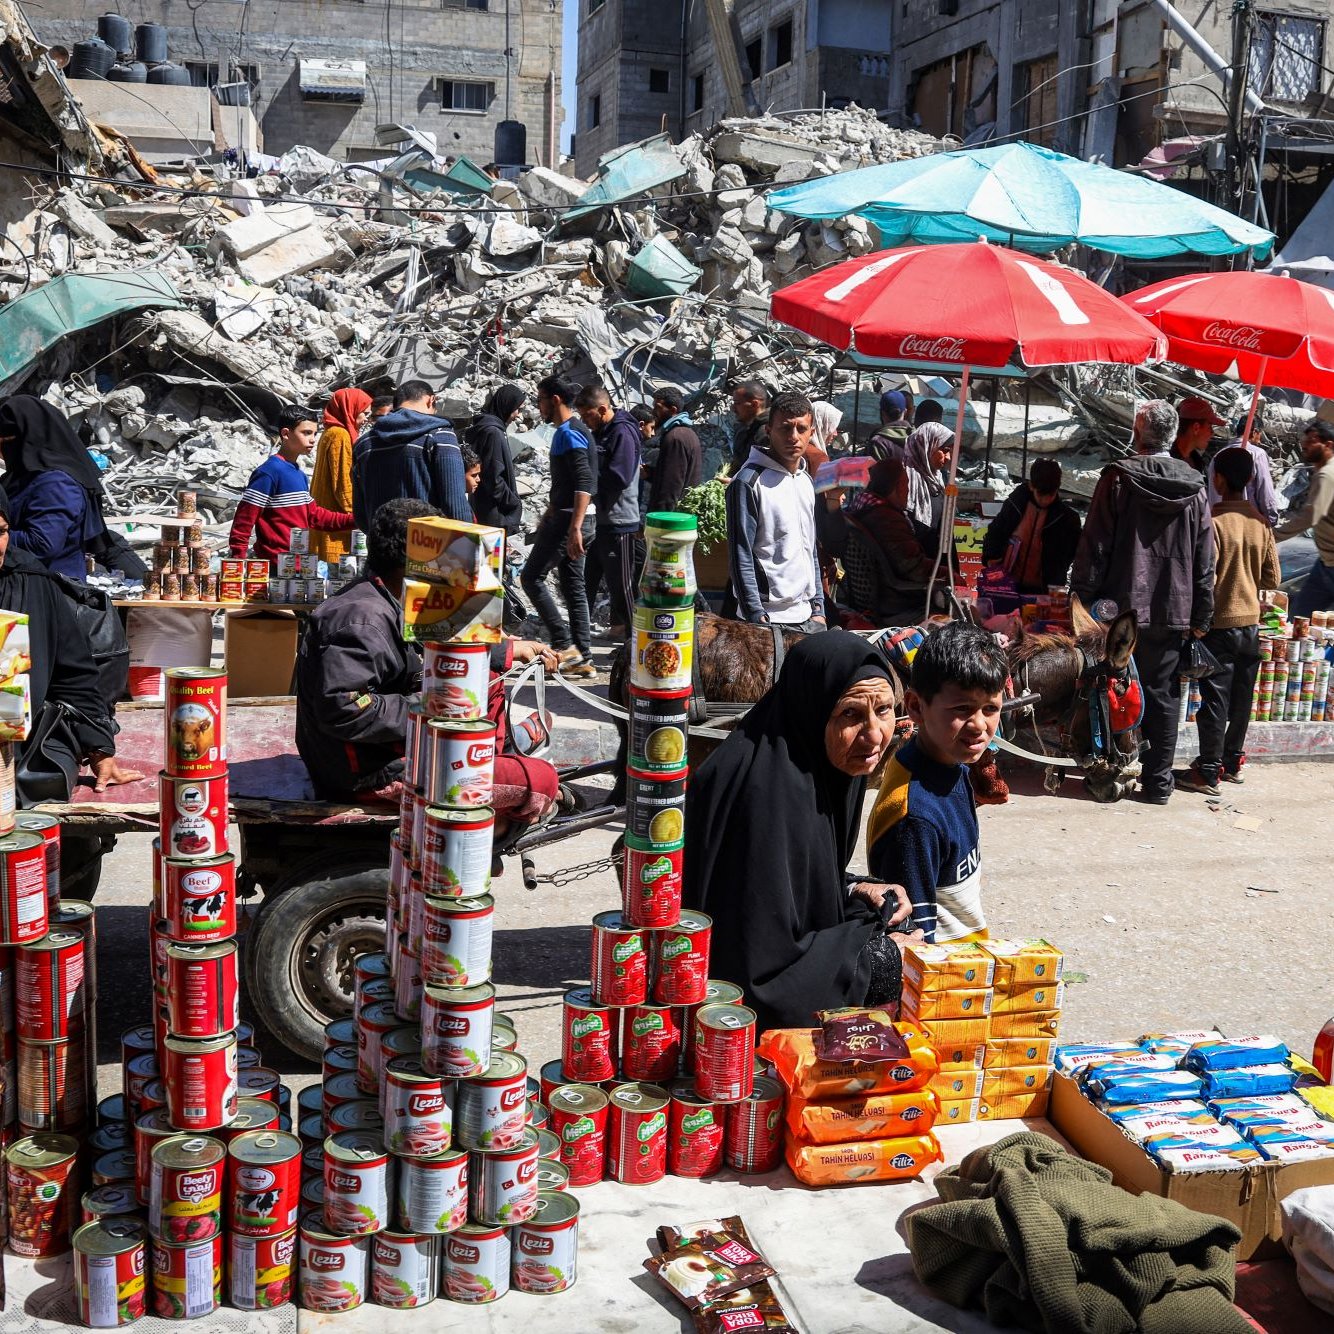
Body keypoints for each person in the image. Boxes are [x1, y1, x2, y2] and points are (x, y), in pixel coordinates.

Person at [683, 631, 918, 1030]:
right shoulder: (769, 794)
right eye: (850, 714)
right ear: (813, 710)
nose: (876, 734)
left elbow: (791, 885)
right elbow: (757, 974)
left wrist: (854, 888)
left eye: (883, 710)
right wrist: (879, 960)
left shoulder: (818, 765)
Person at [295, 498, 560, 830]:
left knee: (486, 677)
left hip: (384, 750)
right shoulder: (361, 620)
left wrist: (506, 649)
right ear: (416, 560)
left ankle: (500, 752)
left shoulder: (392, 597)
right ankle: (497, 818)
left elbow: (443, 641)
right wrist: (433, 707)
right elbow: (346, 708)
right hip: (370, 773)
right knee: (542, 779)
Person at [1071, 398, 1215, 804]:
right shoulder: (1195, 486)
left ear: (1138, 433)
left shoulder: (1118, 478)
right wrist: (1202, 612)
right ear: (1172, 436)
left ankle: (1112, 775)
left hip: (1119, 609)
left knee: (1110, 687)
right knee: (1164, 693)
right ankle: (1158, 784)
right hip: (1173, 607)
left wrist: (1081, 598)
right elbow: (1206, 559)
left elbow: (1094, 545)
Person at [868, 622, 1005, 942]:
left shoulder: (952, 764)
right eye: (962, 709)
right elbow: (913, 936)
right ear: (916, 706)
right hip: (943, 975)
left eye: (990, 708)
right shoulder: (916, 817)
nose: (979, 725)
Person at [0, 486, 140, 798]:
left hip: (21, 758)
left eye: (1, 531)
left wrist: (99, 749)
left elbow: (73, 673)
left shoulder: (29, 582)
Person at [1180, 448, 1280, 795]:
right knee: (1241, 700)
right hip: (1251, 625)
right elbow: (1272, 577)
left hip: (1219, 625)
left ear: (1218, 480)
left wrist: (1198, 622)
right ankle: (1233, 762)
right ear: (1251, 479)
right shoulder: (1261, 523)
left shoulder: (1214, 522)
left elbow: (1205, 578)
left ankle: (1208, 770)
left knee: (1214, 701)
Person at [725, 390, 825, 630]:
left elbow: (809, 547)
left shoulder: (805, 480)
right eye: (785, 428)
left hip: (806, 616)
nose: (793, 437)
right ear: (769, 432)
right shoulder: (747, 482)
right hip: (767, 620)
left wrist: (818, 607)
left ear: (811, 433)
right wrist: (755, 613)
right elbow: (741, 554)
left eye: (801, 429)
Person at [520, 376, 597, 678]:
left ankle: (565, 647)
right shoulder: (575, 431)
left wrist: (574, 527)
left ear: (554, 400)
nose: (537, 406)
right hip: (576, 517)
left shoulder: (569, 433)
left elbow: (583, 482)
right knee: (573, 587)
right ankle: (583, 659)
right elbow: (568, 483)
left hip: (572, 520)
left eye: (540, 400)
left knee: (531, 577)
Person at [0, 396, 116, 581]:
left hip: (48, 594)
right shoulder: (20, 476)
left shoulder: (56, 484)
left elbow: (42, 544)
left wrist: (2, 535)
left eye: (4, 440)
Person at [229, 405, 355, 562]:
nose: (312, 439)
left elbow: (314, 516)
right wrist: (237, 561)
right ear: (286, 434)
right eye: (306, 433)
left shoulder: (299, 474)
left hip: (299, 565)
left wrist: (357, 519)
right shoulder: (269, 472)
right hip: (275, 566)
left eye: (314, 434)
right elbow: (244, 521)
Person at [351, 380, 469, 530]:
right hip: (428, 545)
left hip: (381, 547)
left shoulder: (363, 444)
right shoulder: (440, 436)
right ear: (431, 400)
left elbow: (360, 513)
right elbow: (455, 506)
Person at [574, 385, 642, 639]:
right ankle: (578, 637)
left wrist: (588, 484)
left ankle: (636, 644)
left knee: (621, 586)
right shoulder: (605, 431)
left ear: (602, 410)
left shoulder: (622, 432)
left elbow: (619, 476)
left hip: (619, 520)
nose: (585, 421)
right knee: (587, 579)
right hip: (602, 519)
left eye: (587, 415)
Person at [835, 459, 935, 623]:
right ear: (896, 486)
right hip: (896, 601)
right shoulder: (886, 519)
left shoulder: (861, 506)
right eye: (906, 484)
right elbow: (912, 567)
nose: (909, 491)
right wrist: (947, 574)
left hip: (872, 597)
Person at [980, 458, 1083, 593]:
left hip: (1043, 591)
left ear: (1057, 489)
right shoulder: (1015, 505)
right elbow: (995, 532)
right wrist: (991, 557)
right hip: (1006, 585)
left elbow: (1069, 555)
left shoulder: (1067, 519)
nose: (1045, 500)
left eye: (1050, 495)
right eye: (1041, 494)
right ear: (1031, 486)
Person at [1274, 419, 1334, 618]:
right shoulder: (1321, 472)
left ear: (1328, 445)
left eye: (1313, 439)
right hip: (1326, 563)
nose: (1305, 444)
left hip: (1330, 565)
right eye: (1306, 438)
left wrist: (1272, 536)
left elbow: (1311, 515)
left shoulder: (1327, 474)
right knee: (1301, 618)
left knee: (1301, 618)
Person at [310, 387, 371, 563]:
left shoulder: (330, 432)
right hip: (336, 524)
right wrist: (360, 516)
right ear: (350, 408)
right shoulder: (340, 435)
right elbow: (343, 484)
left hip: (326, 517)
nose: (366, 419)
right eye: (363, 413)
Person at [465, 385, 524, 534]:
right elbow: (493, 477)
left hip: (484, 508)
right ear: (507, 405)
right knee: (492, 556)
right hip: (495, 514)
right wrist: (513, 502)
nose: (518, 415)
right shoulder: (493, 433)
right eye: (517, 409)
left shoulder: (487, 428)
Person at [1207, 415, 1278, 526]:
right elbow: (1265, 492)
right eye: (1260, 434)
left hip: (1219, 523)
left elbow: (1212, 493)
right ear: (1254, 432)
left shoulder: (1217, 456)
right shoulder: (1257, 454)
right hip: (1249, 523)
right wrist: (1271, 520)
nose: (1260, 440)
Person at [648, 387, 703, 515]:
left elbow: (671, 485)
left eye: (658, 407)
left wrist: (660, 520)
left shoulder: (675, 437)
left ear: (673, 410)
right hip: (680, 515)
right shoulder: (686, 433)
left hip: (672, 519)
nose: (654, 412)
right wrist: (650, 474)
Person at [902, 421, 951, 544]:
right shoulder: (905, 479)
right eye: (944, 451)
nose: (948, 457)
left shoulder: (939, 478)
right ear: (927, 446)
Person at [1173, 396, 1226, 472]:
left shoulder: (1198, 462)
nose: (1212, 433)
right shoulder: (1164, 458)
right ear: (1196, 428)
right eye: (1209, 426)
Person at [727, 380, 769, 474]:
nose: (733, 408)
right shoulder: (742, 428)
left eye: (737, 403)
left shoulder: (767, 433)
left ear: (754, 404)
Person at [864, 390, 912, 463]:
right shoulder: (919, 437)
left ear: (883, 413)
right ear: (905, 412)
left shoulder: (878, 443)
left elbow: (875, 473)